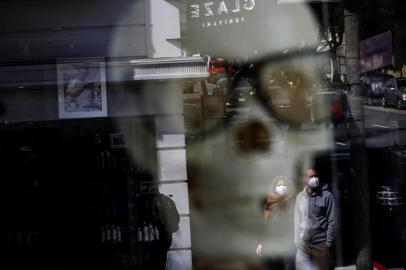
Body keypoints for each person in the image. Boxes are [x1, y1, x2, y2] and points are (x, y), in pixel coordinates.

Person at [294, 169, 336, 270]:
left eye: (315, 176)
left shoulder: (327, 196)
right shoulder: (300, 197)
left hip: (321, 244)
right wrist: (296, 241)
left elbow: (332, 220)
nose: (314, 179)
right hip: (303, 245)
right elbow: (297, 219)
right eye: (311, 177)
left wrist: (328, 243)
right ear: (305, 179)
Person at [256, 176, 296, 270]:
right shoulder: (269, 204)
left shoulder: (292, 202)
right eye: (279, 185)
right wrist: (260, 243)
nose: (281, 188)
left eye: (283, 185)